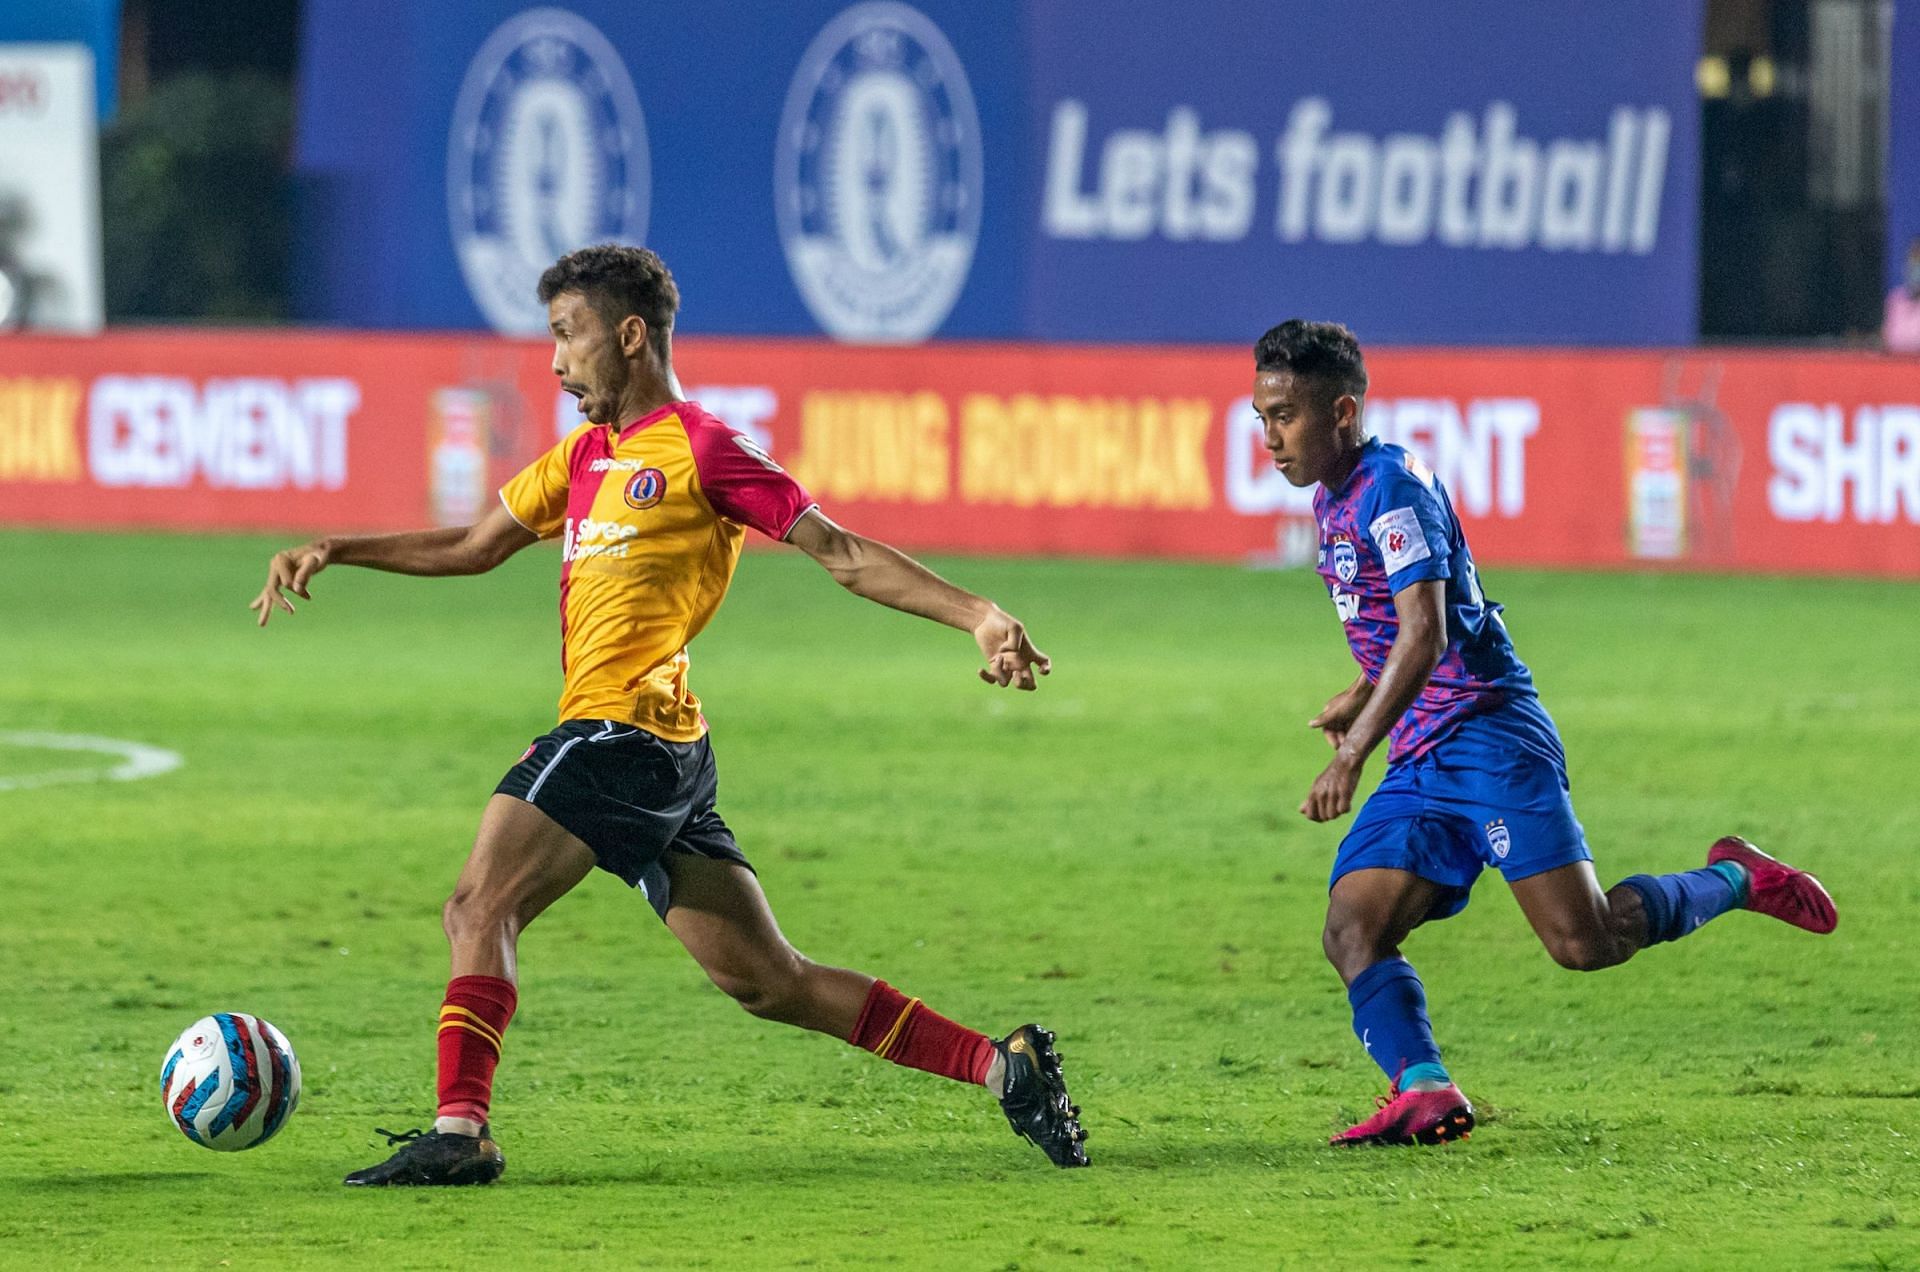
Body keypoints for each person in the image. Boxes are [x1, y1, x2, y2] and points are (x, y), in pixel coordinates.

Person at [251, 244, 1088, 1184]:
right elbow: (476, 545)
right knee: (770, 981)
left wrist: (979, 614)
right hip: (667, 751)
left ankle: (460, 1130)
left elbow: (841, 551)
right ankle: (999, 1063)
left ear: (631, 335)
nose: (557, 362)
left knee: (478, 904)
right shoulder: (583, 456)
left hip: (623, 732)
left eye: (569, 335)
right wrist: (337, 547)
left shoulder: (703, 447)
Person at [1250, 320, 1837, 1147]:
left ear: (1341, 411)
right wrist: (1359, 696)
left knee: (1584, 942)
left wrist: (1352, 753)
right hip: (1425, 750)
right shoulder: (1336, 495)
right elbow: (1406, 629)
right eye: (1261, 417)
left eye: (1284, 416)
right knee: (1353, 927)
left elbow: (1428, 636)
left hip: (1489, 735)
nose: (1269, 438)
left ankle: (1735, 877)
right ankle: (1423, 1088)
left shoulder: (1391, 489)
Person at [1883, 236, 1920, 354]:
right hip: (1897, 366)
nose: (1916, 268)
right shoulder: (1895, 299)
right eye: (1913, 262)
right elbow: (1887, 339)